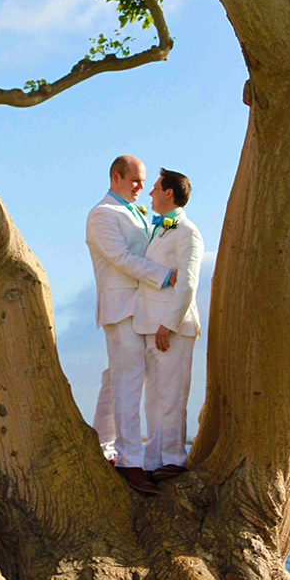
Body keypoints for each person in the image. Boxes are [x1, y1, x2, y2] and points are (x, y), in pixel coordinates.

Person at [86, 154, 175, 495]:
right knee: (128, 381)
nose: (141, 186)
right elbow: (122, 260)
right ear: (116, 177)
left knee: (116, 379)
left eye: (143, 181)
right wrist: (167, 276)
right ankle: (129, 463)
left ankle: (104, 446)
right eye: (136, 180)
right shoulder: (102, 214)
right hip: (120, 307)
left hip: (142, 309)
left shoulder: (137, 214)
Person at [133, 167, 203, 483]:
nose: (150, 193)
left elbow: (188, 283)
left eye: (155, 187)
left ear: (169, 193)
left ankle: (173, 460)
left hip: (172, 327)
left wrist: (168, 324)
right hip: (150, 325)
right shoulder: (165, 227)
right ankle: (153, 461)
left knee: (172, 396)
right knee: (154, 399)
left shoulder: (188, 231)